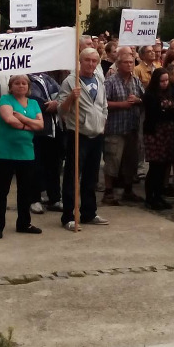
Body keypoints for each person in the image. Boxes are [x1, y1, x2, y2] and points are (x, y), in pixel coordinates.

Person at [58, 48, 110, 230]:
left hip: (96, 134)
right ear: (80, 61)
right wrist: (72, 97)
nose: (90, 64)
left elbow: (104, 105)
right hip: (78, 133)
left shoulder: (99, 80)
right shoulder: (70, 82)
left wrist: (103, 123)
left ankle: (89, 212)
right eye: (87, 60)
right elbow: (61, 110)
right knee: (73, 175)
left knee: (92, 175)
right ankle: (68, 216)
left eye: (94, 61)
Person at [0, 75, 44, 238]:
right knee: (2, 189)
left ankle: (24, 223)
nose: (21, 86)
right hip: (5, 152)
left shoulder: (34, 103)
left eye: (24, 83)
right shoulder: (5, 100)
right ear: (11, 86)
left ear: (28, 86)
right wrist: (29, 125)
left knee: (25, 190)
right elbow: (9, 120)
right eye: (17, 83)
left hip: (26, 152)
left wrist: (21, 118)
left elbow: (41, 125)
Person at [103, 47, 145, 205]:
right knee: (112, 160)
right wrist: (122, 104)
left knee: (130, 161)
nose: (129, 65)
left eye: (132, 62)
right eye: (126, 62)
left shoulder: (135, 80)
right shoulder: (110, 81)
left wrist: (138, 101)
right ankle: (108, 192)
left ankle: (128, 190)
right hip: (115, 128)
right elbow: (103, 103)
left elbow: (144, 97)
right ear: (118, 64)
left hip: (132, 128)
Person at [141, 67, 174, 211]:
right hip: (155, 133)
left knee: (164, 167)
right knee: (155, 167)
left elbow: (172, 112)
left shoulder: (170, 92)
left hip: (167, 132)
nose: (164, 83)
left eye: (167, 80)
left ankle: (159, 195)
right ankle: (150, 197)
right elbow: (155, 113)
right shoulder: (150, 95)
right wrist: (166, 111)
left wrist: (167, 111)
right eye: (162, 81)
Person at [28, 71, 64, 213]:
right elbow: (35, 101)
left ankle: (55, 198)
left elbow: (60, 93)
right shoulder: (26, 78)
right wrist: (54, 104)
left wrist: (58, 103)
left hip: (54, 127)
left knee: (54, 165)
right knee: (37, 166)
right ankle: (34, 198)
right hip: (38, 129)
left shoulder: (47, 78)